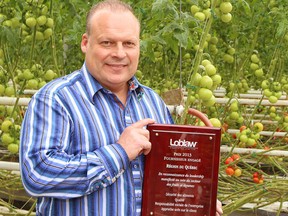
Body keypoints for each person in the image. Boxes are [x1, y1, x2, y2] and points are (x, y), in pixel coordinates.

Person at [19, 0, 223, 215]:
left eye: (128, 43)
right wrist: (120, 152)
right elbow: (37, 175)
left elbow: (168, 174)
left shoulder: (152, 102)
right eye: (107, 42)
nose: (119, 53)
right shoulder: (56, 99)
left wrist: (196, 198)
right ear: (85, 43)